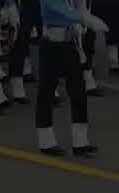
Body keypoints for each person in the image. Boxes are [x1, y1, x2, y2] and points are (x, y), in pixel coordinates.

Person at [35, 0, 108, 156]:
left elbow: (79, 7)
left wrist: (84, 13)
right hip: (52, 46)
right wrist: (86, 19)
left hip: (71, 44)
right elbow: (61, 10)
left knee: (79, 94)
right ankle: (46, 142)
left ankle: (80, 142)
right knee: (46, 94)